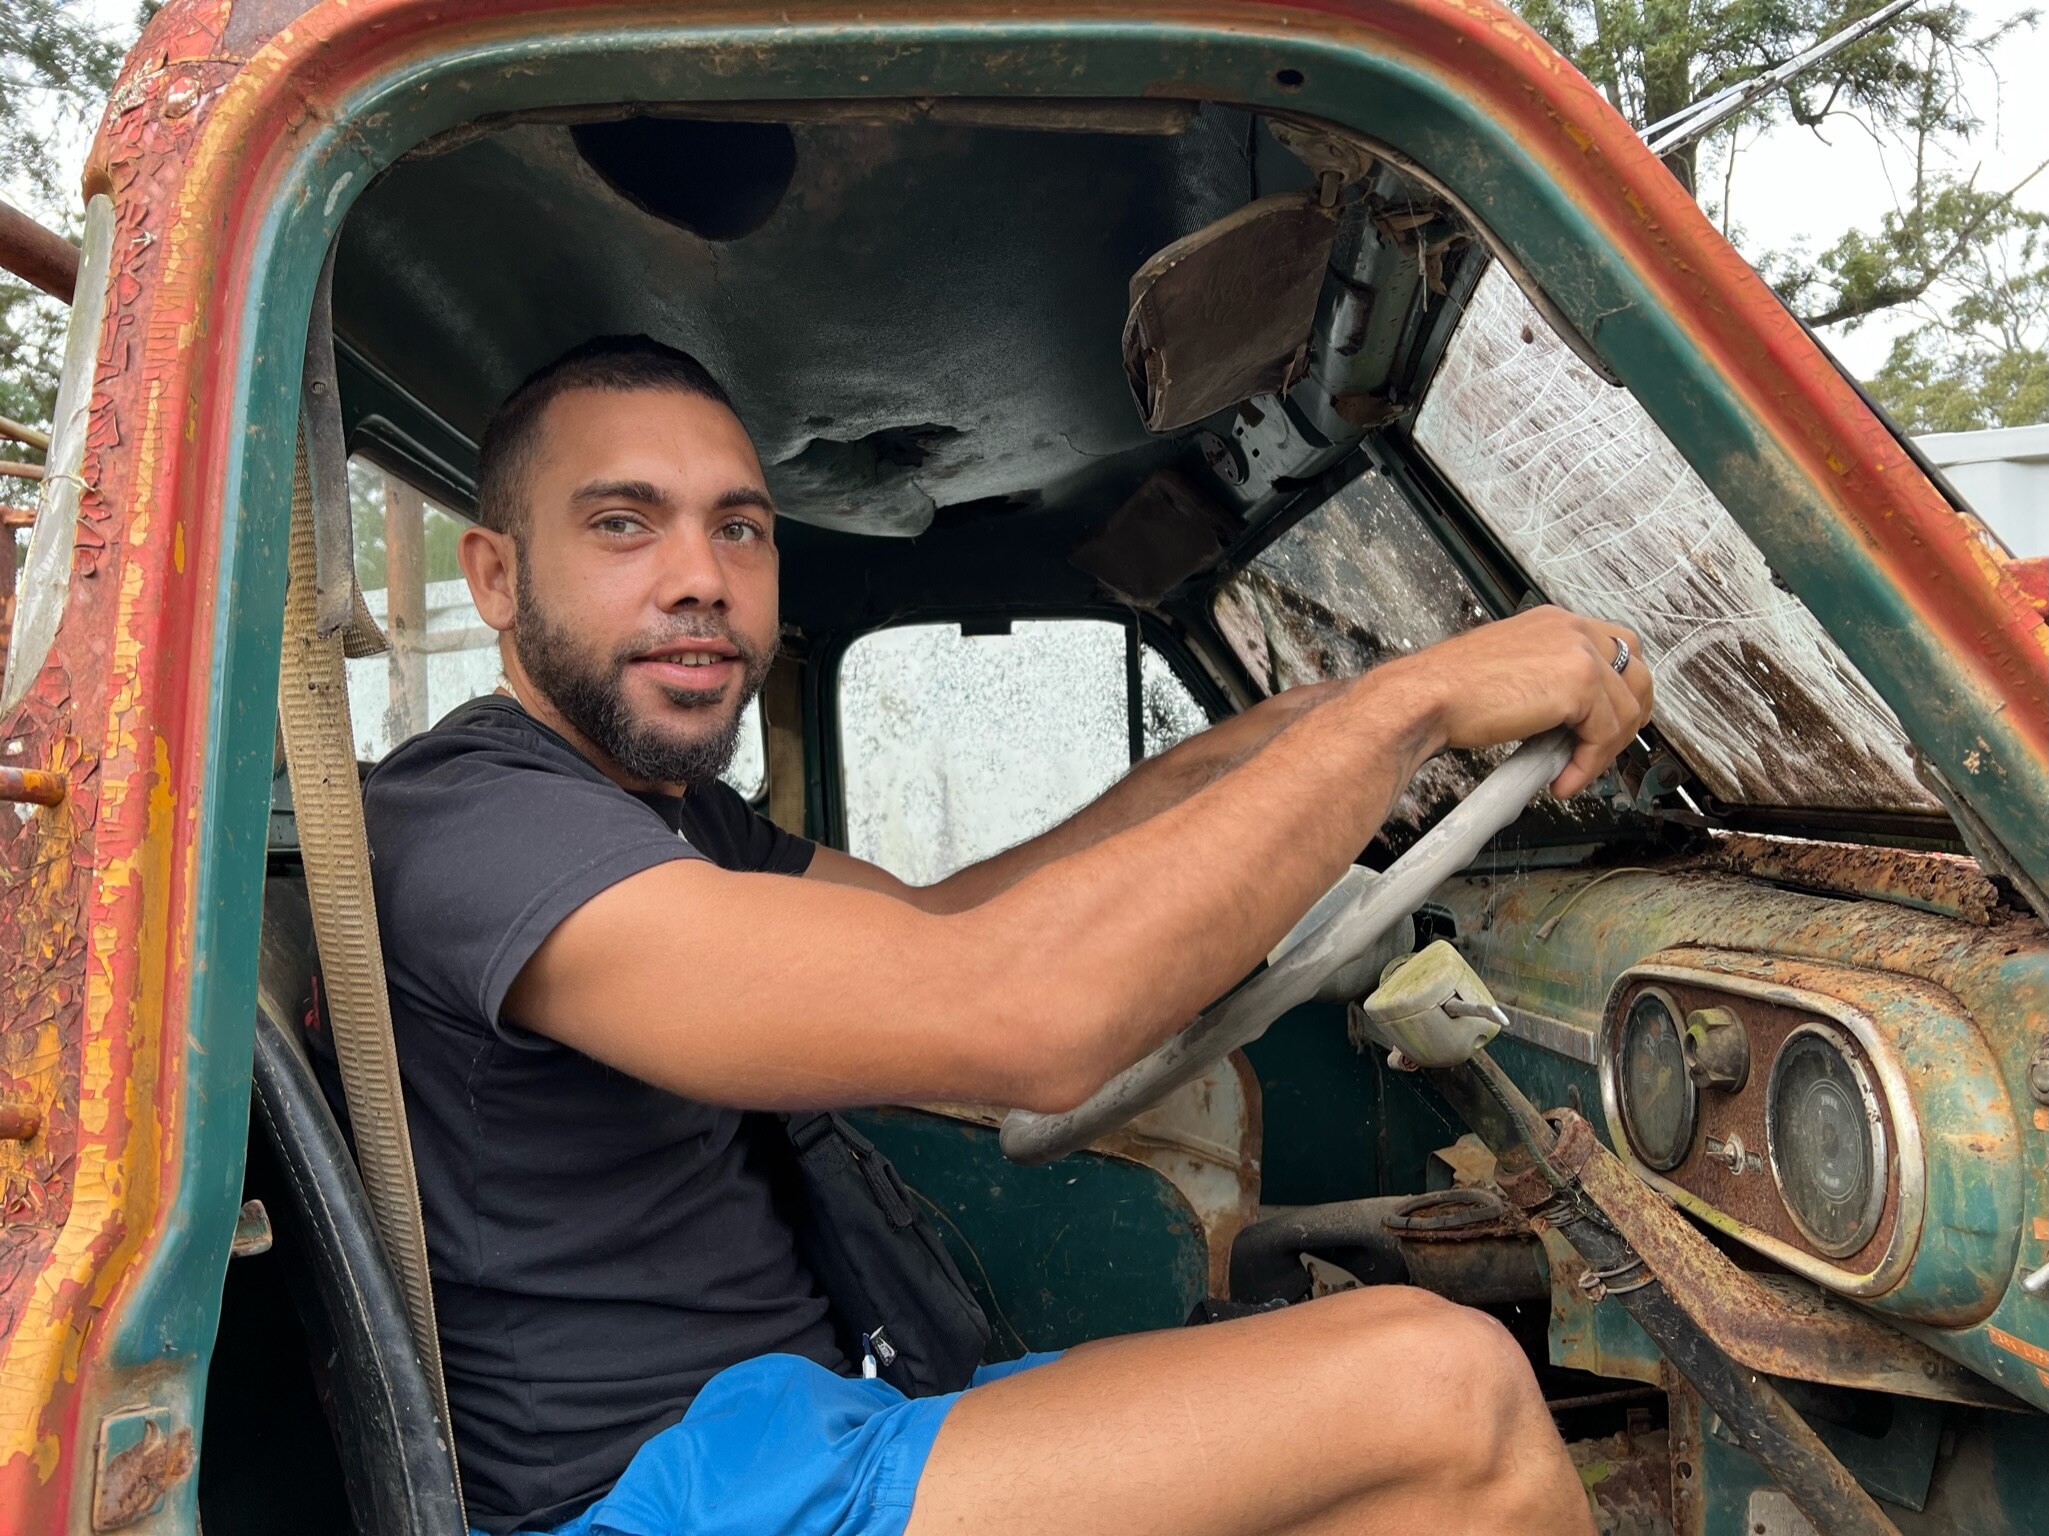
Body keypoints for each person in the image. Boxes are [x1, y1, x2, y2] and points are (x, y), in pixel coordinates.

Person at [362, 335, 1651, 1536]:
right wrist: (1410, 714)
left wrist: (1318, 723)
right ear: (494, 575)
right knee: (1447, 1391)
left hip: (802, 1422)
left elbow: (943, 923)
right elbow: (1023, 1013)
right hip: (657, 1499)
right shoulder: (481, 830)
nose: (700, 578)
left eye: (739, 529)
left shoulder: (672, 816)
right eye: (622, 524)